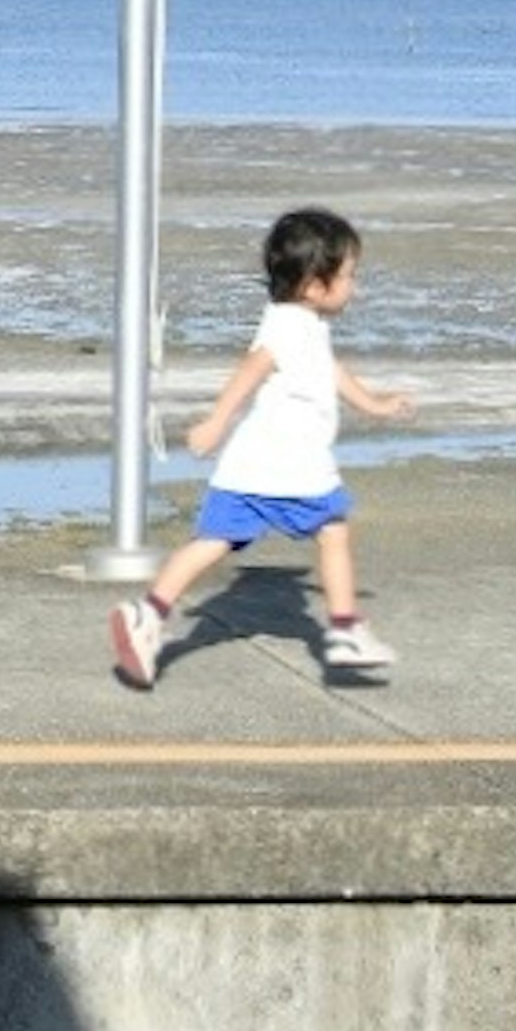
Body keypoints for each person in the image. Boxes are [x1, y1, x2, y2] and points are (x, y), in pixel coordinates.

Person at [108, 203, 412, 690]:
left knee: (211, 542)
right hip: (290, 464)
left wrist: (373, 404)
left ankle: (149, 613)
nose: (355, 284)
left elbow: (328, 371)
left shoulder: (303, 324)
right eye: (350, 274)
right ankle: (345, 629)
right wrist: (215, 422)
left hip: (251, 467)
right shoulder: (288, 327)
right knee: (333, 530)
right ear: (315, 284)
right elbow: (251, 369)